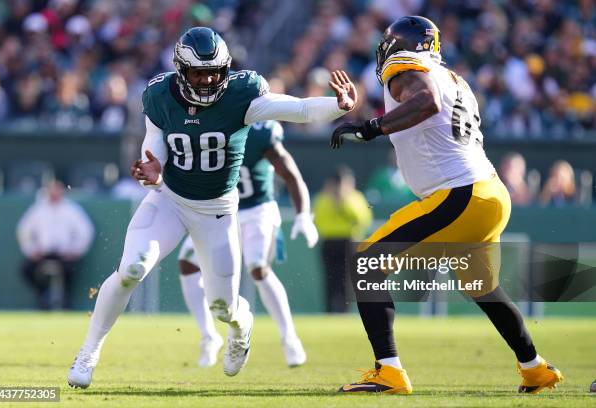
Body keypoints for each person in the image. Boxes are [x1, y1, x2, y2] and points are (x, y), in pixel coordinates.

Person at [67, 27, 356, 388]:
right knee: (131, 268)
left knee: (223, 307)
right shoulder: (159, 96)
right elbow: (153, 148)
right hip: (169, 199)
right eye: (198, 72)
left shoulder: (242, 93)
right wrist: (153, 170)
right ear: (180, 70)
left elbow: (297, 109)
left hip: (217, 210)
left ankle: (241, 324)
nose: (206, 80)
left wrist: (337, 106)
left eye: (213, 72)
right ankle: (89, 352)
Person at [330, 16, 562, 394]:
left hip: (459, 194)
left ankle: (388, 371)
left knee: (366, 265)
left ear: (398, 45)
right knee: (483, 288)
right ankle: (535, 369)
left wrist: (371, 127)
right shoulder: (456, 79)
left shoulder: (404, 66)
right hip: (489, 193)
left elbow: (425, 101)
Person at [177, 120, 318, 368]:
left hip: (257, 210)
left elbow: (290, 174)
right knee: (187, 263)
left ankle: (289, 338)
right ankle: (209, 336)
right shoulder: (206, 126)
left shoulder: (260, 133)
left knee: (258, 268)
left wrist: (303, 214)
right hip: (221, 210)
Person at [16, 180, 94, 310]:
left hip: (64, 255)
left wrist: (75, 251)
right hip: (43, 254)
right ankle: (43, 295)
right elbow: (23, 231)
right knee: (26, 270)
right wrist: (32, 250)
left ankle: (65, 301)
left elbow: (86, 232)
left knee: (72, 271)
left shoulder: (71, 210)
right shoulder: (38, 209)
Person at [313, 166, 372, 313]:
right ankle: (329, 311)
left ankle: (345, 312)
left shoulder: (355, 197)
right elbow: (318, 220)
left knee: (348, 280)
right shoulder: (323, 198)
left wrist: (343, 203)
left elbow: (363, 219)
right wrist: (333, 203)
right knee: (330, 278)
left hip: (349, 241)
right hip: (329, 242)